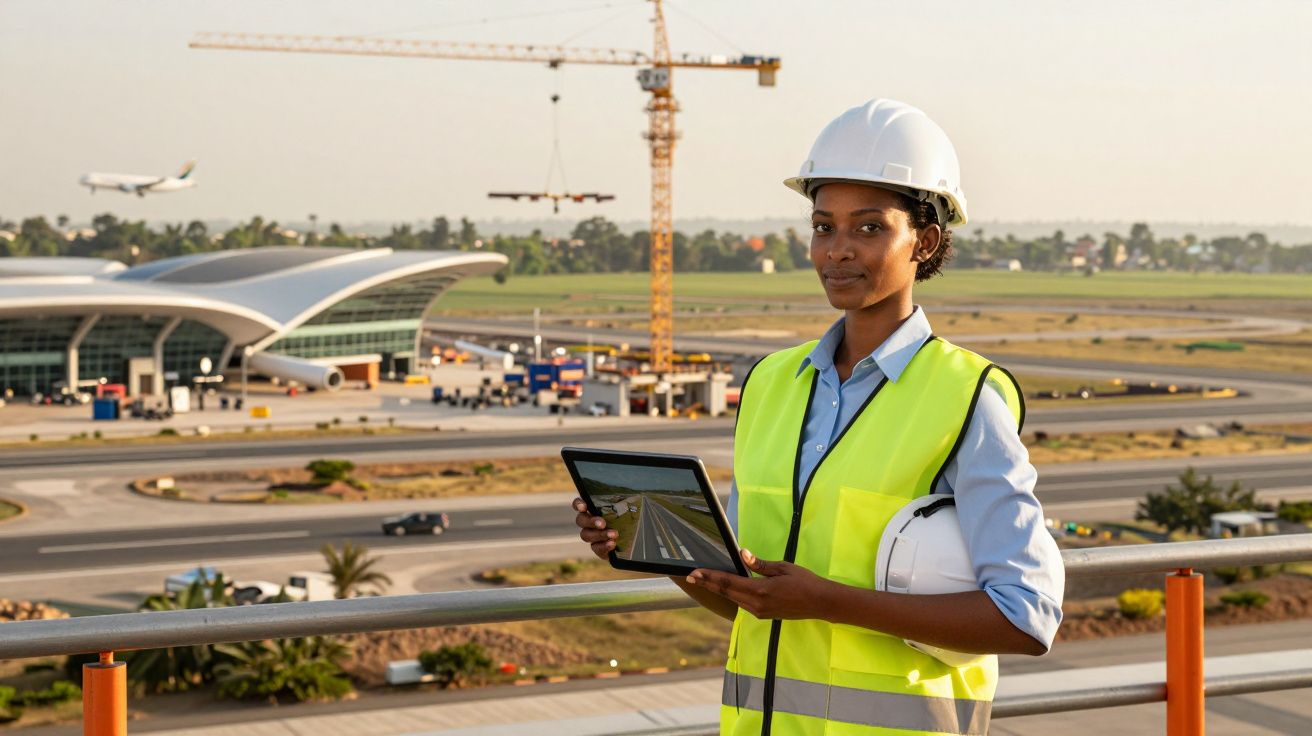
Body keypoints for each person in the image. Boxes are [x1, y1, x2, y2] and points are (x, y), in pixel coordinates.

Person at [573, 98, 1064, 736]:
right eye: (822, 226)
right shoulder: (772, 384)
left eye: (868, 228)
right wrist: (649, 543)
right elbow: (751, 600)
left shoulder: (967, 396)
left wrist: (825, 601)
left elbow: (1025, 618)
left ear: (927, 240)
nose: (837, 251)